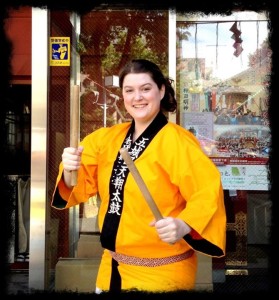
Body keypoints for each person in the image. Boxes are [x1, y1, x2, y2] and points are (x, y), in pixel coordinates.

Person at [51, 59, 226, 293]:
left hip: (163, 273)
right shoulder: (106, 139)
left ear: (161, 90)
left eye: (146, 89)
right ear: (122, 95)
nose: (137, 97)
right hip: (111, 268)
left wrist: (184, 224)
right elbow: (79, 185)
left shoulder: (178, 142)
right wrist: (70, 167)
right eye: (129, 90)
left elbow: (207, 191)